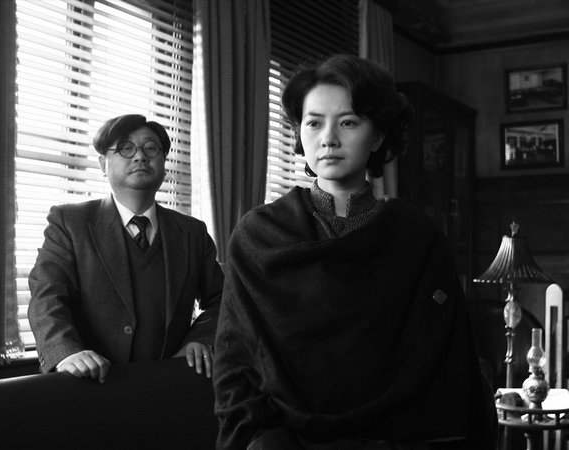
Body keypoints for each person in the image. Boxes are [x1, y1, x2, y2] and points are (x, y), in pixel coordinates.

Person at [212, 55, 497, 450]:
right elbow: (235, 363)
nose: (328, 138)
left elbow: (448, 362)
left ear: (377, 136)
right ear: (299, 134)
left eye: (347, 122)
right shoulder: (258, 236)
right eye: (314, 123)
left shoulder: (418, 238)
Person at [28, 114, 224, 383]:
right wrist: (67, 352)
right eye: (125, 148)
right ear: (103, 164)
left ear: (164, 163)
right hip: (92, 386)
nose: (140, 156)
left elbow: (223, 298)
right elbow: (46, 297)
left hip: (171, 383)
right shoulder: (70, 223)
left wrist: (201, 338)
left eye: (151, 148)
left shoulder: (192, 232)